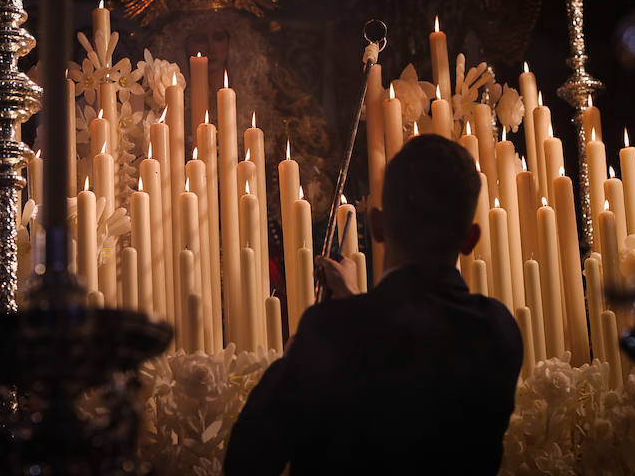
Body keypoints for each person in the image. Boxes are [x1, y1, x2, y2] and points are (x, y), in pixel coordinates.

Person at [224, 134, 523, 475]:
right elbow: (411, 349)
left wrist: (294, 358)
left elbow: (248, 458)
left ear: (378, 225)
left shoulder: (329, 332)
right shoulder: (497, 331)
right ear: (471, 239)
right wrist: (354, 303)